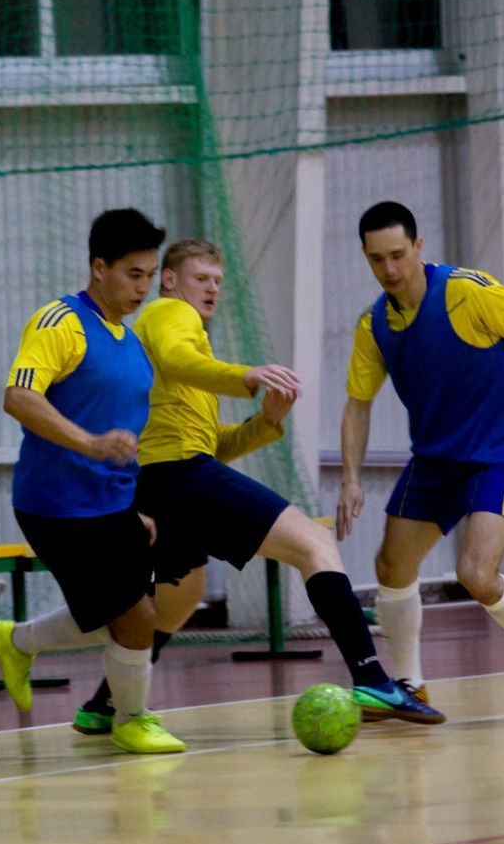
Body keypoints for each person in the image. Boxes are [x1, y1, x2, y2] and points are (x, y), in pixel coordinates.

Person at [60, 238, 443, 733]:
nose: (212, 289)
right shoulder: (170, 315)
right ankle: (372, 679)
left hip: (161, 482)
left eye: (218, 281)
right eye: (201, 278)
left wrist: (267, 421)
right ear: (169, 280)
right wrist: (248, 375)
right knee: (315, 543)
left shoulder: (189, 356)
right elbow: (176, 360)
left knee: (173, 605)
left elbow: (212, 445)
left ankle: (103, 703)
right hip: (177, 477)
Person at [338, 202, 504, 715]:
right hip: (435, 459)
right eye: (377, 259)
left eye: (398, 255)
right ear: (365, 256)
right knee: (391, 565)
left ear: (418, 246)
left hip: (497, 452)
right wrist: (351, 479)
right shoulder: (373, 325)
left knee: (476, 573)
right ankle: (410, 685)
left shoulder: (466, 291)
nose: (390, 269)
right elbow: (357, 406)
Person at [0, 208, 184, 755]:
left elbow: (127, 435)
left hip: (112, 504)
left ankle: (18, 641)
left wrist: (135, 503)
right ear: (99, 267)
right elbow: (18, 397)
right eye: (133, 274)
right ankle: (130, 719)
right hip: (57, 504)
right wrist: (89, 444)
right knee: (135, 617)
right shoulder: (60, 322)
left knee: (121, 615)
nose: (143, 287)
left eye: (149, 275)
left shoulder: (131, 343)